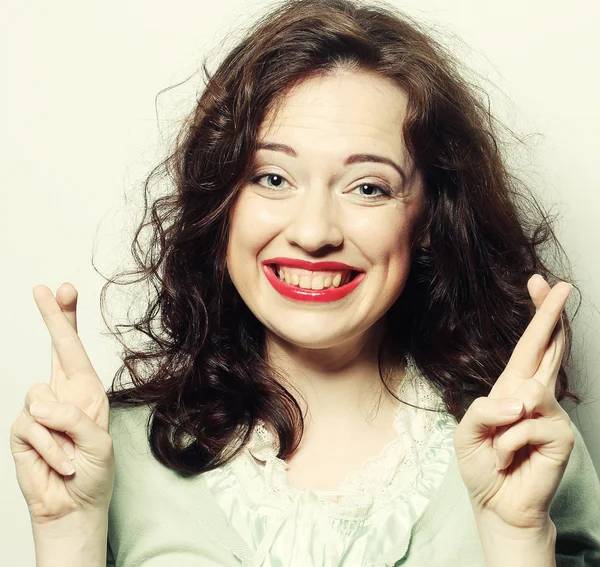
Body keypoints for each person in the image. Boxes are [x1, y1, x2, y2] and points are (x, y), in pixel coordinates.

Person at [9, 0, 600, 565]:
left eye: (368, 187)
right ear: (224, 203)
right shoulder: (114, 453)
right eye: (272, 177)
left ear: (428, 218)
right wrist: (67, 533)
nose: (314, 232)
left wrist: (515, 536)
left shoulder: (521, 442)